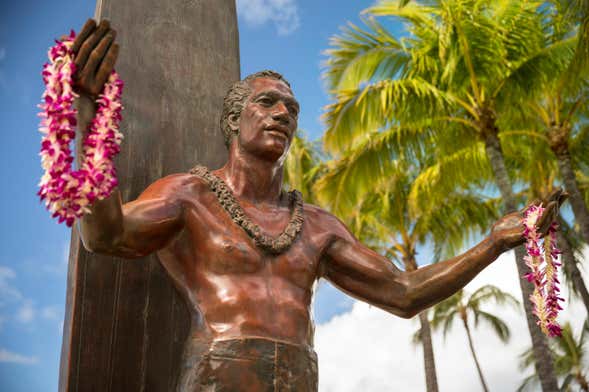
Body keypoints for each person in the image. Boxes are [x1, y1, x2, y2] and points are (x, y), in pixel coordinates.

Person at [72, 19, 566, 392]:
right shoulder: (190, 196)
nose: (283, 113)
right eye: (267, 103)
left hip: (300, 376)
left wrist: (494, 244)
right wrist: (89, 116)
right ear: (233, 120)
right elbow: (105, 235)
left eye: (291, 108)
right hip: (218, 374)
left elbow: (403, 293)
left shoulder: (316, 227)